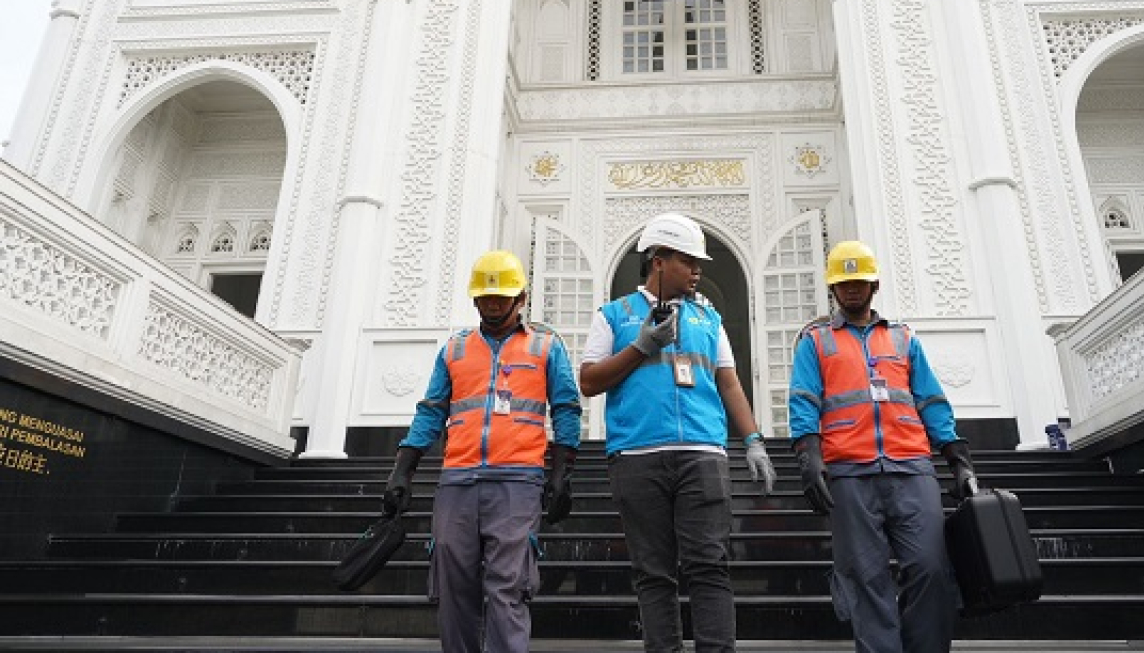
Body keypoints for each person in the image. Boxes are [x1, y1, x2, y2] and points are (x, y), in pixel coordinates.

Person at [580, 211, 776, 653]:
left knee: (709, 566)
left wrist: (753, 441)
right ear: (658, 260)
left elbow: (729, 381)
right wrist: (641, 346)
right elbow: (589, 382)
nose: (697, 270)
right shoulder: (613, 316)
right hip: (636, 456)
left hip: (703, 453)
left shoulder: (710, 319)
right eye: (688, 261)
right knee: (654, 573)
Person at [383, 249, 582, 653]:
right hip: (458, 480)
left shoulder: (546, 347)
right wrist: (402, 469)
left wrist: (561, 473)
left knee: (509, 586)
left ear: (520, 299)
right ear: (474, 298)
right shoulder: (454, 350)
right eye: (485, 297)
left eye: (501, 297)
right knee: (453, 587)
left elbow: (566, 408)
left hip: (518, 481)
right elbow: (431, 411)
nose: (492, 304)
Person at [788, 240, 978, 653]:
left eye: (859, 281)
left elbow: (931, 399)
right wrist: (810, 456)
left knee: (930, 568)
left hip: (911, 466)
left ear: (874, 284)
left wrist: (957, 459)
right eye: (844, 283)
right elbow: (803, 400)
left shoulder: (904, 338)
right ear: (833, 290)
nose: (852, 289)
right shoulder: (816, 342)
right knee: (864, 576)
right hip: (848, 472)